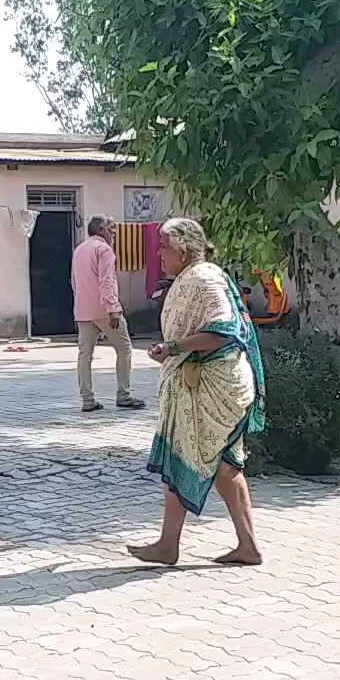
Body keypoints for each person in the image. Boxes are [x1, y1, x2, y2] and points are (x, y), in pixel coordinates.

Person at [129, 217, 265, 566]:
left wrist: (174, 348)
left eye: (163, 246)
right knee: (217, 462)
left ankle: (170, 545)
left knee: (199, 457)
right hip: (202, 385)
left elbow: (223, 331)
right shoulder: (191, 278)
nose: (158, 254)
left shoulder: (203, 279)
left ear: (183, 249)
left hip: (214, 386)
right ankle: (237, 546)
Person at [72, 213, 144, 413]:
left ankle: (87, 399)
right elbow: (107, 281)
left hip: (83, 310)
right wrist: (113, 309)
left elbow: (75, 282)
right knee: (124, 347)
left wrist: (79, 305)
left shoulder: (79, 250)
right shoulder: (104, 250)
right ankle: (124, 394)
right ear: (101, 230)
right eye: (111, 228)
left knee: (85, 354)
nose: (114, 233)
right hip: (104, 309)